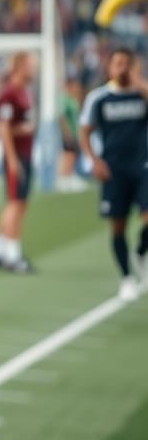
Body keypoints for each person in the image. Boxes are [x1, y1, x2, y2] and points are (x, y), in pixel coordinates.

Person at [80, 48, 148, 301]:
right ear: (109, 67)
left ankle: (141, 251)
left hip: (143, 166)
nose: (121, 68)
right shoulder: (99, 98)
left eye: (126, 64)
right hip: (113, 170)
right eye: (117, 63)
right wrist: (94, 160)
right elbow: (85, 131)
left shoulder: (142, 94)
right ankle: (126, 278)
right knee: (118, 226)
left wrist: (139, 82)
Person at [0, 52, 37, 274]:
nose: (34, 68)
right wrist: (12, 160)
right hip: (16, 156)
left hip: (24, 154)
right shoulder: (9, 94)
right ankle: (13, 254)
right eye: (31, 64)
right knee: (16, 203)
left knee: (19, 202)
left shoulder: (23, 92)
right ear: (20, 66)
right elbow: (3, 127)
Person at [59, 80, 88, 193]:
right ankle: (64, 179)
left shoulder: (72, 98)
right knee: (69, 154)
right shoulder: (64, 99)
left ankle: (69, 177)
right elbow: (62, 117)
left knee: (73, 154)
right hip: (70, 133)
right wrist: (67, 133)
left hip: (75, 132)